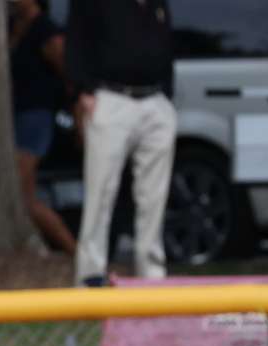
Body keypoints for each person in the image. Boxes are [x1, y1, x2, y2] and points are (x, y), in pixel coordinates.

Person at [64, 0, 177, 286]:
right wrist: (83, 90)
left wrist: (167, 96)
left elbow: (166, 43)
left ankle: (151, 274)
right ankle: (90, 275)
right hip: (111, 97)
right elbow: (76, 40)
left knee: (154, 195)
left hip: (155, 99)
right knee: (100, 190)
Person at [9, 0, 78, 255]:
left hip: (35, 118)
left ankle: (75, 251)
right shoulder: (12, 26)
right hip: (15, 118)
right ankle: (37, 247)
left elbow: (67, 71)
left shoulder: (45, 29)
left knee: (22, 196)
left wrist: (76, 111)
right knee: (22, 195)